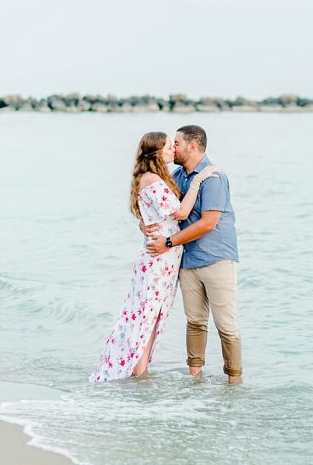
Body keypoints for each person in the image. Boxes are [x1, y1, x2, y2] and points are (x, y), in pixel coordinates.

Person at [89, 131, 218, 383]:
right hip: (158, 258)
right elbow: (180, 213)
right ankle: (135, 369)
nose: (173, 150)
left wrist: (143, 225)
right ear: (157, 152)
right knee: (146, 314)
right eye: (169, 147)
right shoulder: (152, 180)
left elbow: (153, 217)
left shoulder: (156, 178)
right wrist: (198, 180)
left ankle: (139, 368)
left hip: (164, 257)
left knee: (152, 314)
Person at [143, 124, 242, 385]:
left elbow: (208, 223)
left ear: (192, 146)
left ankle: (234, 384)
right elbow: (156, 205)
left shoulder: (214, 177)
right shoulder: (177, 176)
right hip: (187, 260)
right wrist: (143, 224)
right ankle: (195, 380)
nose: (173, 147)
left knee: (226, 325)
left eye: (176, 143)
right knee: (195, 322)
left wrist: (168, 242)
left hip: (217, 257)